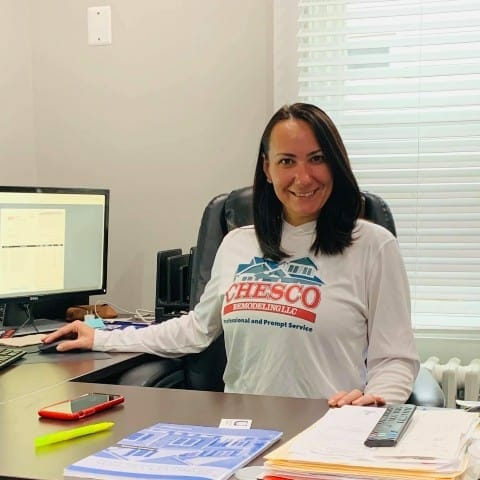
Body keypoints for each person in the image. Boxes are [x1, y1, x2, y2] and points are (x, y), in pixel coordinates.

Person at [44, 103, 419, 406]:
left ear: (336, 164)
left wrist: (376, 403)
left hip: (330, 428)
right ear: (267, 169)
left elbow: (395, 357)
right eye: (287, 161)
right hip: (243, 433)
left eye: (317, 159)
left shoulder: (372, 245)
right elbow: (195, 330)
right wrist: (103, 337)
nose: (303, 178)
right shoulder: (238, 243)